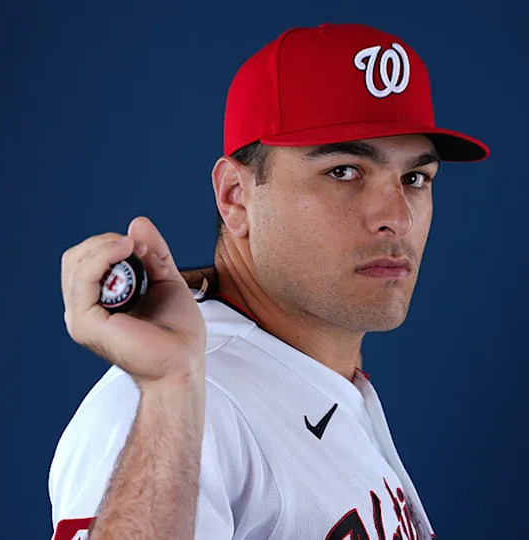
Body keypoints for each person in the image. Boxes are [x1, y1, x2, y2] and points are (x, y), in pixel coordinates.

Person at [50, 23, 489, 540]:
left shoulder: (313, 378)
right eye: (344, 171)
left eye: (415, 179)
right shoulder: (179, 403)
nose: (396, 217)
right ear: (236, 196)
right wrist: (170, 392)